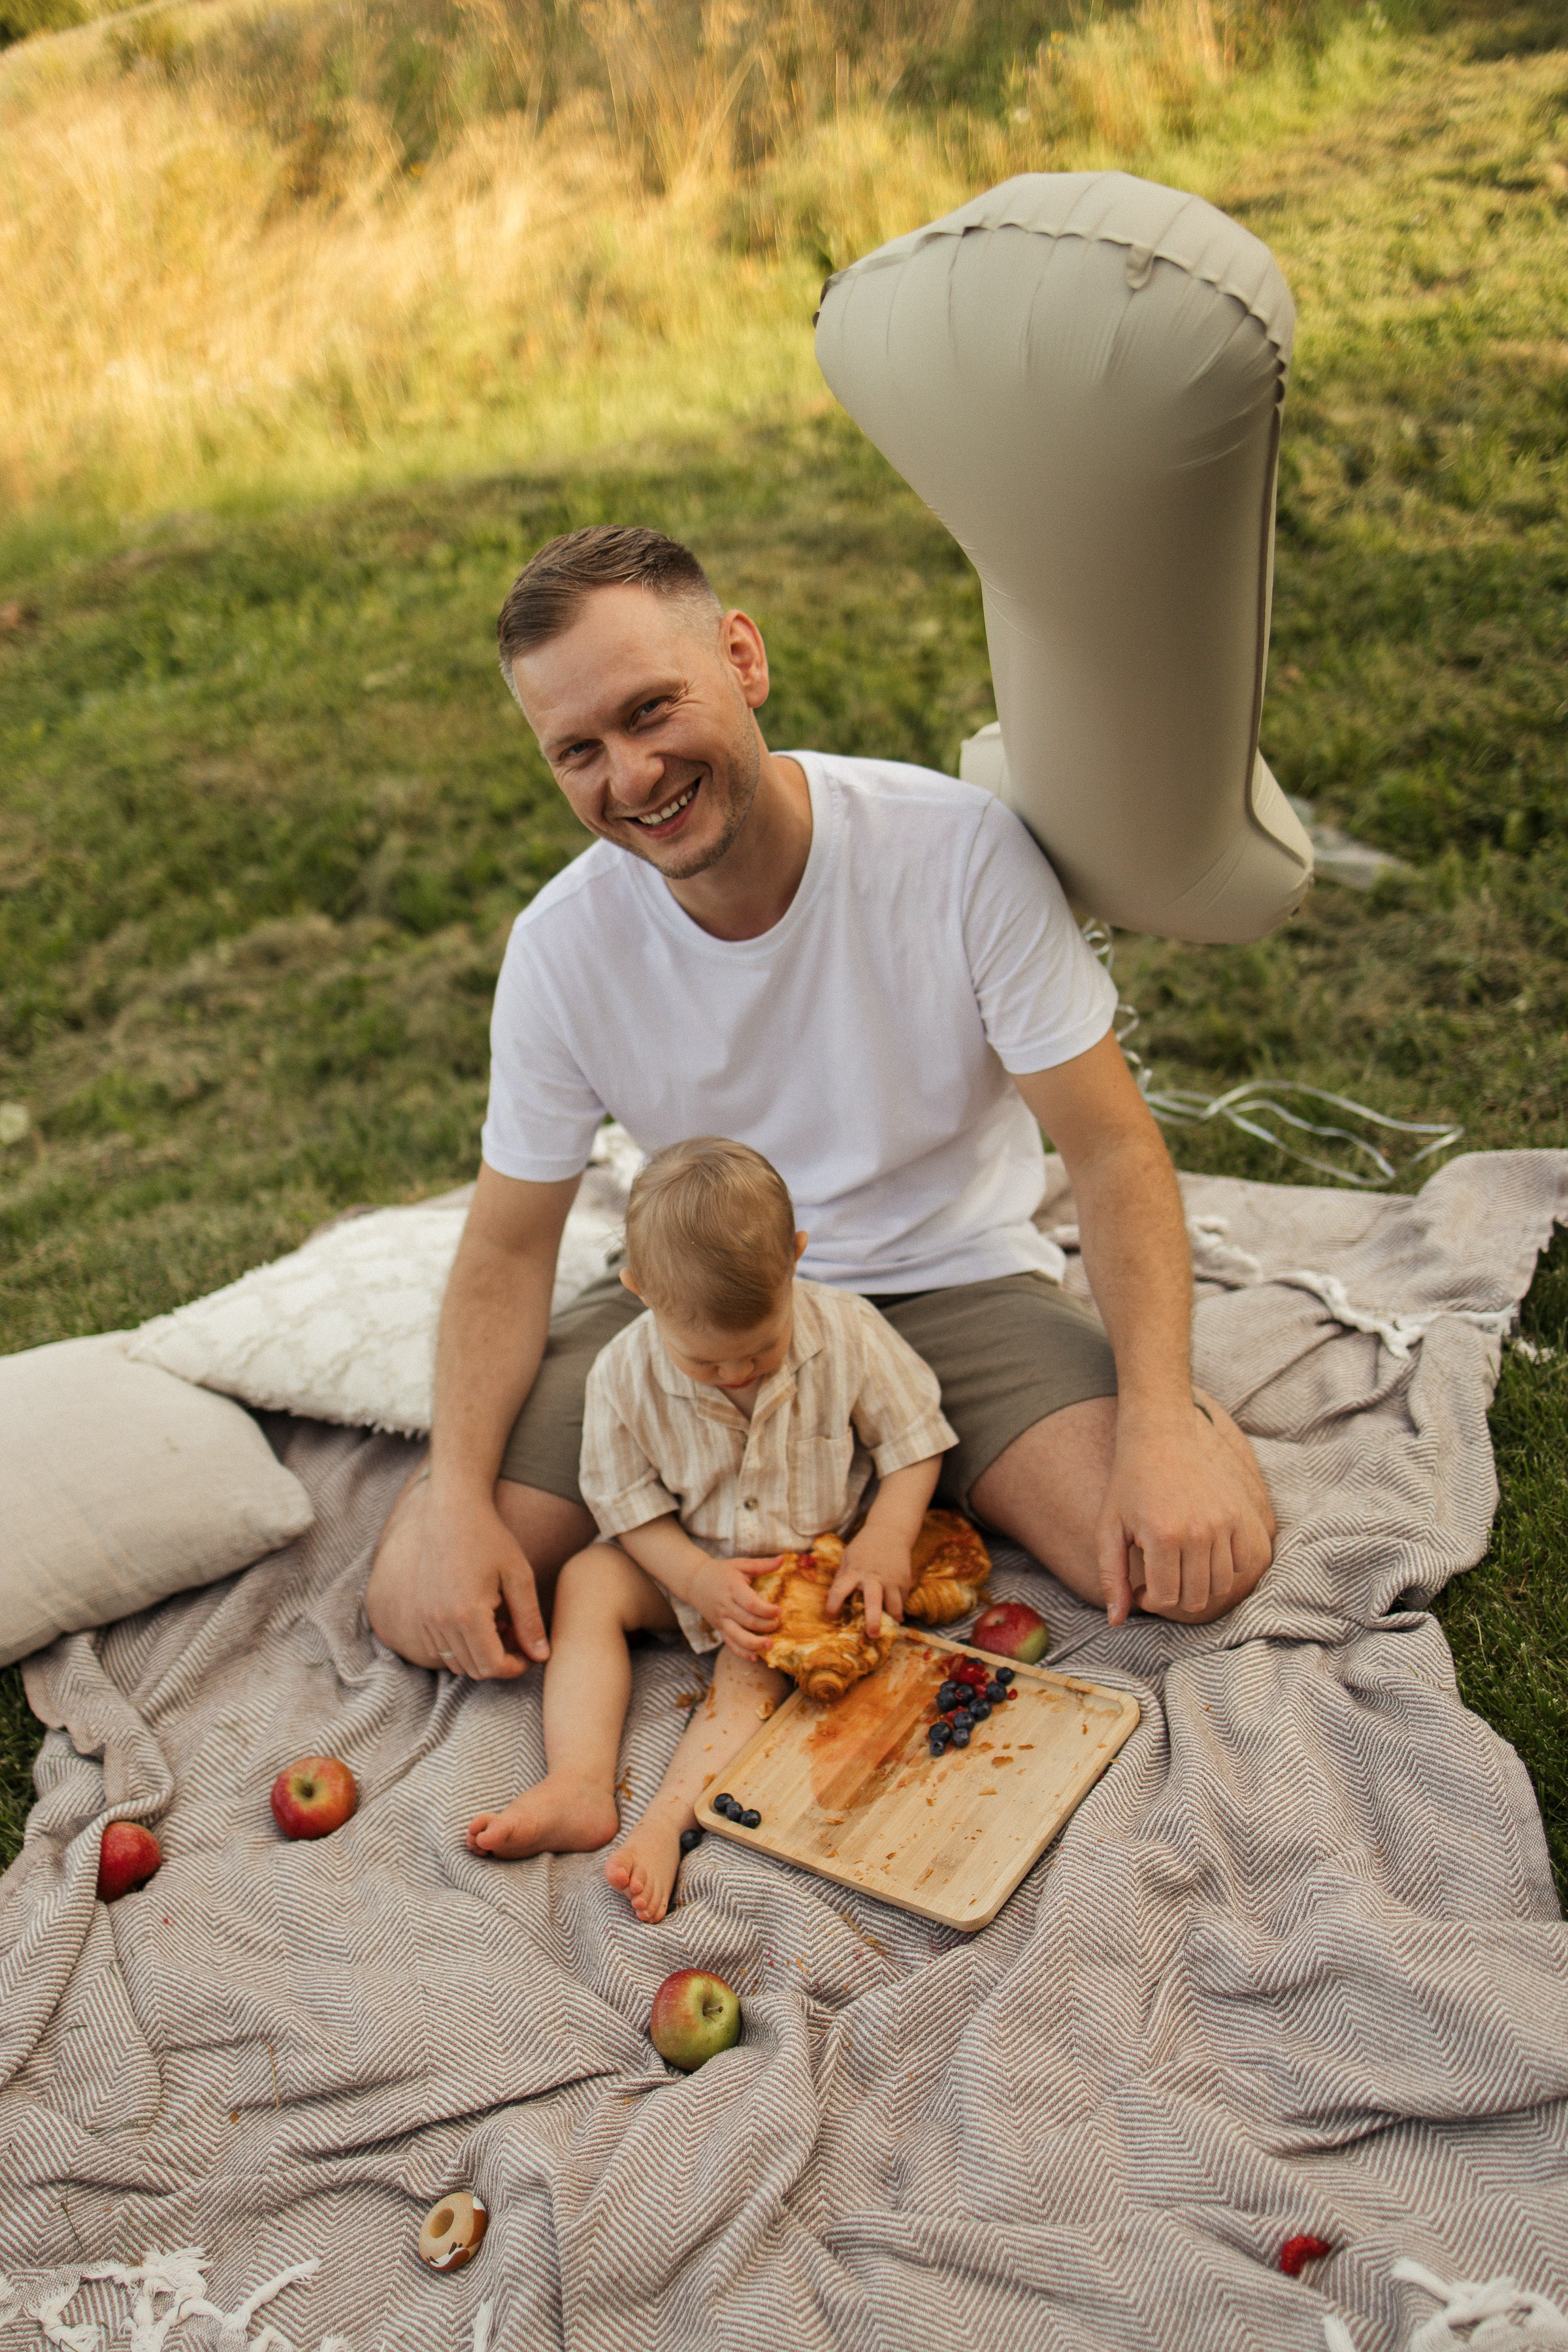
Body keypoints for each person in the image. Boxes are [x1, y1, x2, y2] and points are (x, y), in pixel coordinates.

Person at [367, 523, 1275, 1694]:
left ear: (742, 659)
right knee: (421, 1595)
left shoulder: (956, 852)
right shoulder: (558, 949)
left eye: (651, 711)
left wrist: (1156, 1425)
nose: (630, 778)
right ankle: (883, 1479)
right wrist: (453, 1499)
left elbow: (1110, 1149)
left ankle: (913, 1463)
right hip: (707, 1296)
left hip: (952, 1279)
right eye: (576, 749)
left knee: (1199, 1555)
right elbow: (505, 1247)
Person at [466, 1135, 955, 1922]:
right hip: (685, 1560)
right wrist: (692, 1577)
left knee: (752, 1666)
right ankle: (580, 1783)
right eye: (707, 1363)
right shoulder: (624, 1373)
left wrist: (887, 1535)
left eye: (761, 1352)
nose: (735, 1375)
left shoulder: (848, 1333)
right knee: (589, 1577)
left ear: (796, 1258)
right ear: (638, 1292)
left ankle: (665, 1825)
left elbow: (915, 1441)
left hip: (804, 1577)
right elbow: (627, 1506)